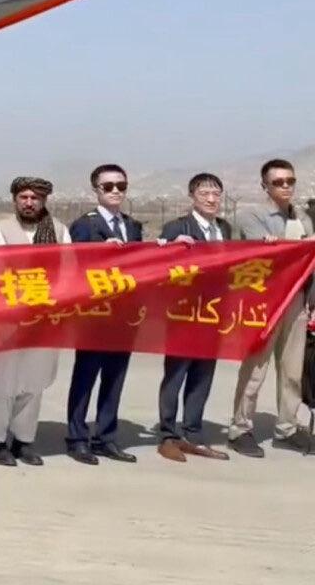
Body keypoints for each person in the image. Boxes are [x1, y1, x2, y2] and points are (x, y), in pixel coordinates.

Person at [0, 177, 72, 467]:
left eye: (35, 198)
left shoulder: (59, 230)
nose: (29, 203)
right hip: (7, 320)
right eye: (24, 198)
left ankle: (23, 441)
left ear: (44, 201)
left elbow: (68, 272)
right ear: (15, 200)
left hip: (44, 320)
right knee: (2, 384)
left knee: (35, 382)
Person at [228, 158, 315, 456]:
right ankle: (240, 428)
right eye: (278, 182)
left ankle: (287, 428)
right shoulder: (251, 216)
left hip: (295, 301)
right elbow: (266, 256)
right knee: (255, 369)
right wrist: (298, 244)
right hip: (264, 302)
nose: (285, 186)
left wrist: (311, 301)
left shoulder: (303, 218)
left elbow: (309, 263)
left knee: (292, 370)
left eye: (290, 181)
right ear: (264, 185)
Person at [65, 164, 144, 465]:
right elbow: (74, 266)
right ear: (95, 190)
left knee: (115, 378)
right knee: (85, 377)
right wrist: (100, 251)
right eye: (108, 186)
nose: (115, 192)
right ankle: (77, 437)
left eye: (120, 186)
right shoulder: (84, 226)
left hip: (124, 315)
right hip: (94, 315)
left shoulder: (132, 226)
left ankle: (106, 436)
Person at [155, 173, 233, 462]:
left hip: (213, 313)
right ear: (192, 197)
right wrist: (171, 246)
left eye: (216, 194)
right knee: (176, 374)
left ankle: (193, 433)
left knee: (203, 374)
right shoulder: (178, 227)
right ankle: (168, 435)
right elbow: (159, 265)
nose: (211, 199)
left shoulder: (225, 228)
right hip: (183, 314)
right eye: (204, 194)